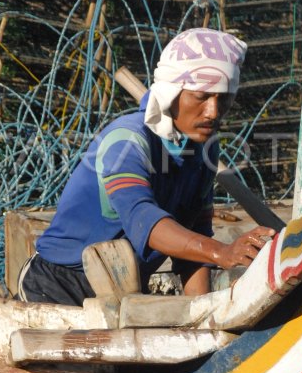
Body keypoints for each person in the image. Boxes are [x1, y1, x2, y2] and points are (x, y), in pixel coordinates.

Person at [17, 27, 276, 306]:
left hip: (124, 290)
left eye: (223, 97)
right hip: (57, 284)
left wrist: (203, 319)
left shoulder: (205, 149)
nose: (213, 111)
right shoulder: (125, 140)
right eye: (201, 96)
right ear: (171, 93)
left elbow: (196, 236)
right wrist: (221, 252)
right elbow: (143, 218)